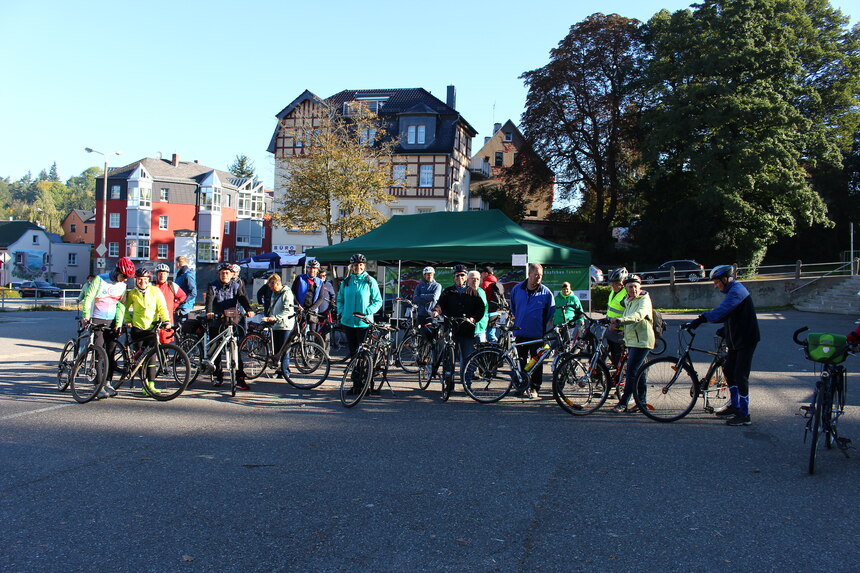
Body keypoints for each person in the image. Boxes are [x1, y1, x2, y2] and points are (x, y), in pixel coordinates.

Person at [687, 265, 760, 426]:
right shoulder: (732, 290)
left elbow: (723, 310)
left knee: (741, 375)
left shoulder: (737, 290)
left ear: (725, 279)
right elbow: (732, 315)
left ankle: (744, 414)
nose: (715, 285)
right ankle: (735, 405)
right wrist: (725, 329)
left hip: (746, 339)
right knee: (728, 370)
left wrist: (702, 319)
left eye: (717, 282)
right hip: (735, 338)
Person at [81, 257, 135, 399]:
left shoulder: (122, 286)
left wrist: (118, 323)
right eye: (123, 276)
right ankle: (98, 385)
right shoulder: (99, 280)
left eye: (127, 278)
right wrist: (86, 315)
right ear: (117, 271)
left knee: (110, 353)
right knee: (99, 352)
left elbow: (121, 305)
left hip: (111, 322)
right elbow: (88, 298)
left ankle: (108, 382)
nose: (124, 279)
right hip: (97, 319)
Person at [205, 262, 256, 390]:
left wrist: (249, 309)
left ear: (231, 274)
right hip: (216, 321)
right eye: (222, 273)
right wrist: (209, 312)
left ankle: (240, 378)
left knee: (236, 350)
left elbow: (242, 298)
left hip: (231, 321)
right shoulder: (212, 286)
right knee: (215, 349)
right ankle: (218, 375)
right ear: (218, 274)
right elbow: (209, 300)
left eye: (227, 273)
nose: (225, 275)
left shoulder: (235, 285)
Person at [336, 253, 382, 393]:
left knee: (364, 355)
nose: (358, 267)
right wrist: (342, 311)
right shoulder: (346, 282)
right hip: (348, 322)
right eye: (355, 265)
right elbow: (340, 300)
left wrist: (368, 311)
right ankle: (356, 384)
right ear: (352, 266)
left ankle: (366, 383)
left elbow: (378, 301)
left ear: (364, 266)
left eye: (360, 265)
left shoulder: (370, 281)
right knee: (353, 354)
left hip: (364, 324)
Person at [509, 263, 555, 399]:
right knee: (521, 361)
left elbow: (550, 313)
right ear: (529, 274)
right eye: (536, 275)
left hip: (537, 334)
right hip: (520, 332)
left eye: (541, 276)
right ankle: (521, 386)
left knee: (536, 362)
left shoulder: (546, 293)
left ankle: (535, 388)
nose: (538, 278)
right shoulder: (517, 289)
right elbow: (513, 307)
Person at [123, 268, 172, 397]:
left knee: (151, 358)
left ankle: (151, 384)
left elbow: (162, 307)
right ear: (136, 280)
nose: (142, 282)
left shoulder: (155, 291)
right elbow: (124, 308)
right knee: (139, 359)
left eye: (145, 279)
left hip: (151, 328)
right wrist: (128, 320)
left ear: (149, 280)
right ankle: (144, 384)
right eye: (139, 279)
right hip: (138, 327)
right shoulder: (132, 293)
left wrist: (166, 320)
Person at [609, 274, 655, 413]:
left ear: (640, 287)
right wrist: (621, 328)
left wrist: (620, 321)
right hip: (633, 340)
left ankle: (623, 403)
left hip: (642, 341)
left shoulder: (644, 300)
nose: (633, 289)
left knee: (631, 373)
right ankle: (641, 403)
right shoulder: (629, 300)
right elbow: (628, 318)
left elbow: (638, 316)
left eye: (635, 286)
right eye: (630, 287)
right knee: (638, 373)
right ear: (626, 288)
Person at [433, 264, 485, 377]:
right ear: (454, 277)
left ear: (466, 277)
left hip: (467, 328)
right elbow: (440, 304)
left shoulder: (473, 292)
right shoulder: (448, 291)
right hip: (451, 328)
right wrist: (436, 311)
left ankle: (467, 381)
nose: (459, 277)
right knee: (449, 355)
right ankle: (448, 380)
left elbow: (481, 308)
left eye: (462, 275)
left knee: (467, 356)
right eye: (457, 275)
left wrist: (473, 318)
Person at [261, 273, 296, 384]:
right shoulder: (274, 293)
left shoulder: (287, 293)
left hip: (285, 325)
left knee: (284, 350)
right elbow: (272, 307)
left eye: (272, 286)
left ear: (277, 283)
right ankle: (278, 370)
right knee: (276, 349)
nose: (271, 288)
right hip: (276, 325)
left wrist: (275, 318)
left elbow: (287, 311)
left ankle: (285, 371)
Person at [605, 267, 628, 367]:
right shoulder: (613, 292)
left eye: (616, 283)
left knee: (619, 356)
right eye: (612, 283)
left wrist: (620, 326)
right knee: (613, 354)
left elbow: (629, 314)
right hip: (611, 327)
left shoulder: (626, 294)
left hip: (620, 330)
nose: (613, 285)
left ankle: (621, 376)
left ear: (623, 282)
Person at [479, 265, 507, 343]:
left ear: (486, 273)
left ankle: (495, 351)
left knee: (487, 335)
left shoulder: (485, 283)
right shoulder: (496, 283)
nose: (481, 275)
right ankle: (495, 351)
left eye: (482, 273)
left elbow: (482, 298)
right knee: (491, 333)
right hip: (495, 311)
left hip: (487, 312)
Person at [467, 270, 489, 343]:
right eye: (473, 278)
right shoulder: (464, 291)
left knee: (480, 352)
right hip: (467, 329)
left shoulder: (481, 292)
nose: (475, 281)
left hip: (480, 328)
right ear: (467, 279)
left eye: (477, 279)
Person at [173, 256, 197, 320]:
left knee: (183, 327)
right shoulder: (180, 275)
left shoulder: (188, 275)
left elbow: (193, 292)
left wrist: (183, 301)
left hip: (185, 307)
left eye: (175, 263)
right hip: (180, 306)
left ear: (178, 263)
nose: (175, 264)